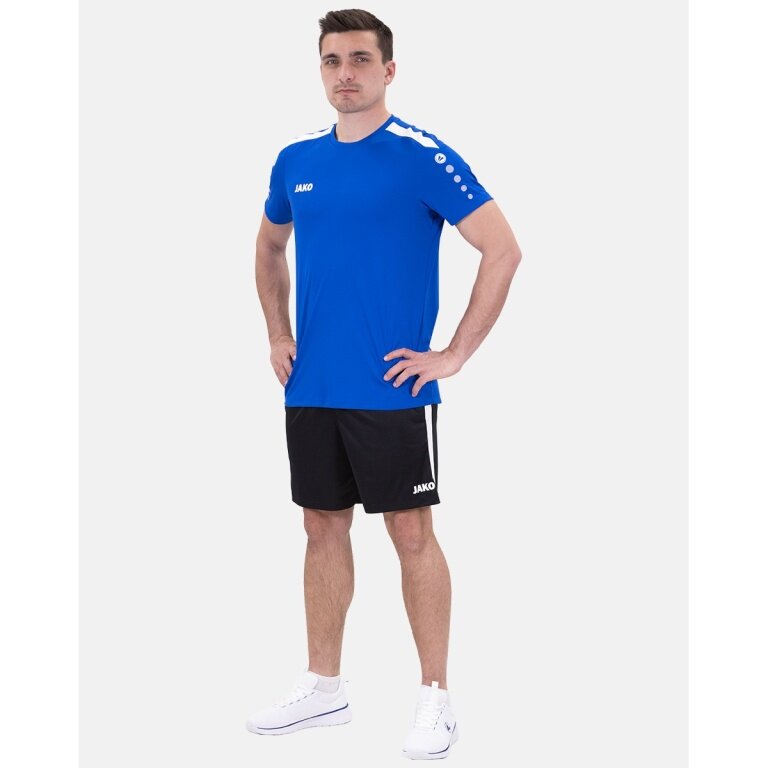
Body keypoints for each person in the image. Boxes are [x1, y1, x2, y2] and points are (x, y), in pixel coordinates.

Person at [246, 8, 521, 760]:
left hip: (392, 389)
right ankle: (324, 688)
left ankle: (436, 698)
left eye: (361, 59)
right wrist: (277, 333)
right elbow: (268, 247)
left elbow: (502, 249)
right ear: (321, 70)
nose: (346, 74)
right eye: (332, 61)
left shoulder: (420, 156)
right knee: (320, 526)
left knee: (411, 535)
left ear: (388, 70)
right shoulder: (296, 159)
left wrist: (453, 354)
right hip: (311, 386)